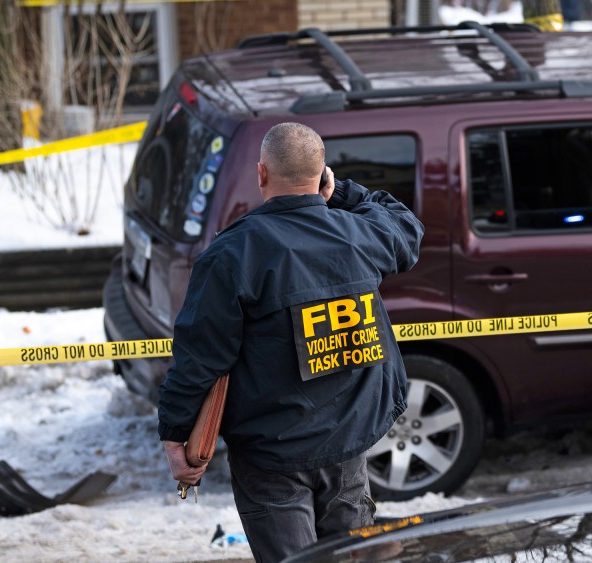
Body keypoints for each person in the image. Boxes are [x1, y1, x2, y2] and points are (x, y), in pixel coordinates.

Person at [157, 122, 424, 562]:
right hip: (348, 443)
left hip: (271, 456)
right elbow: (404, 225)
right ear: (322, 177)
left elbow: (199, 359)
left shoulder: (232, 254)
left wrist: (175, 434)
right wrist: (341, 193)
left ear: (261, 174)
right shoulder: (356, 234)